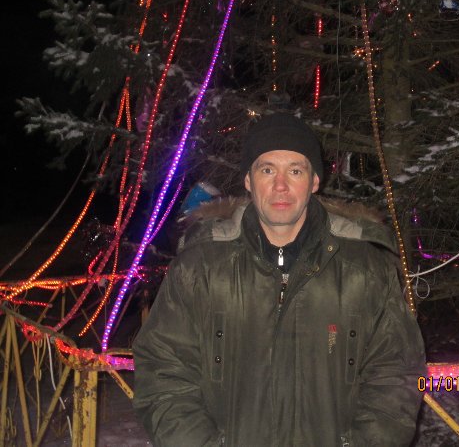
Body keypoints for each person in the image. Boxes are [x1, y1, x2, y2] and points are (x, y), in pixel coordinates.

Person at [133, 112, 426, 446]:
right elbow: (163, 372)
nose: (281, 185)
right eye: (267, 170)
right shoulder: (199, 269)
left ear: (314, 181)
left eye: (295, 171)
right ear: (248, 180)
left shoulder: (366, 269)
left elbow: (397, 375)